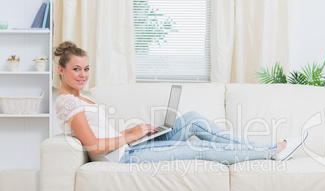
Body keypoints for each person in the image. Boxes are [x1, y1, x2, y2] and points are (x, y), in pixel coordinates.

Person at [54, 41, 308, 165]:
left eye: (86, 69)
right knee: (200, 150)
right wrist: (131, 134)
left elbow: (102, 134)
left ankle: (267, 147)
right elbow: (95, 146)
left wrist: (135, 132)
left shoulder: (82, 98)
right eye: (76, 69)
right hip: (124, 157)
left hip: (127, 145)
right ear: (61, 70)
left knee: (194, 119)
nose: (82, 75)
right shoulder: (68, 103)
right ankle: (272, 151)